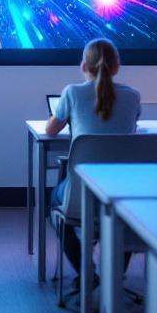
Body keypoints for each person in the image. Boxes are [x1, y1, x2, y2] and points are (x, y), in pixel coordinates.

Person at [46, 38, 142, 280]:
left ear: (83, 66)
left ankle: (86, 272)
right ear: (117, 66)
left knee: (54, 203)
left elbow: (50, 131)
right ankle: (115, 275)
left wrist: (60, 115)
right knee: (124, 220)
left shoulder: (72, 93)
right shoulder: (132, 96)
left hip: (81, 194)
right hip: (124, 194)